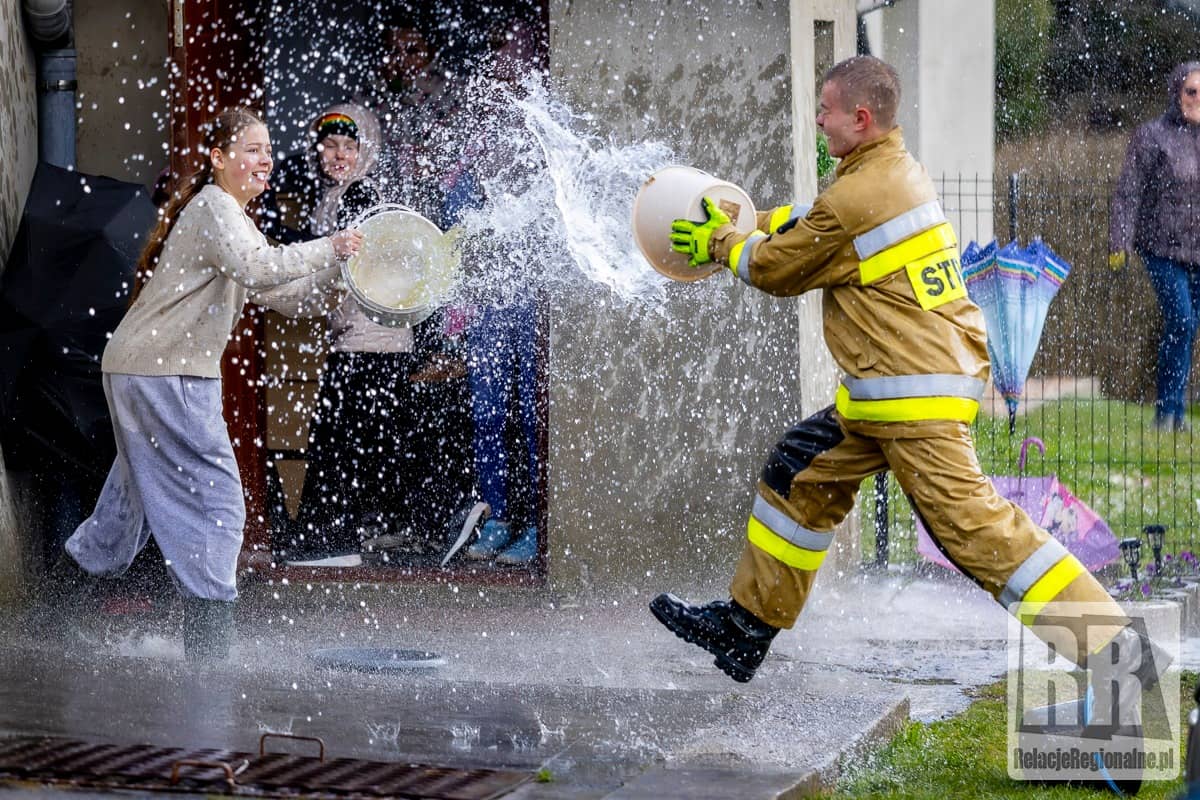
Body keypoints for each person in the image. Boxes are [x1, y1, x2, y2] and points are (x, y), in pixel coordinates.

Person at [654, 56, 1164, 792]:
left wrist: (726, 245)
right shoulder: (884, 176)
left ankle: (1117, 661)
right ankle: (744, 630)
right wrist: (750, 220)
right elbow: (807, 225)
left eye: (826, 110)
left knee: (983, 537)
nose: (818, 119)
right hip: (890, 392)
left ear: (860, 119)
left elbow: (778, 268)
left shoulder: (863, 193)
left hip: (912, 401)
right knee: (800, 470)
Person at [57, 107, 362, 660]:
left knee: (124, 510)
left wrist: (348, 280)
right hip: (165, 373)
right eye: (251, 149)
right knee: (219, 505)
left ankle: (57, 619)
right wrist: (333, 247)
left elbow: (279, 293)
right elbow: (263, 270)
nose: (265, 158)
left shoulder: (233, 219)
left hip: (142, 368)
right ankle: (209, 653)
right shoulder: (216, 207)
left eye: (268, 149)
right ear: (219, 159)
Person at [278, 102, 472, 567]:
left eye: (349, 145)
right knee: (366, 441)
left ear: (368, 151)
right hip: (362, 341)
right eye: (328, 144)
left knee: (342, 444)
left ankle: (332, 540)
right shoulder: (339, 193)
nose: (337, 155)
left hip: (372, 343)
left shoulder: (359, 195)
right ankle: (363, 531)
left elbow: (355, 269)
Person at [440, 17, 544, 567]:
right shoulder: (475, 133)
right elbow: (454, 219)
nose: (499, 61)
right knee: (487, 413)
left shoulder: (542, 124)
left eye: (508, 48)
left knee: (531, 415)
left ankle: (536, 526)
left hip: (529, 303)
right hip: (488, 302)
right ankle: (499, 516)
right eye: (493, 51)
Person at [1109, 61, 1200, 433]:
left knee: (1188, 328)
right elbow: (1128, 192)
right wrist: (1120, 241)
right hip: (1160, 247)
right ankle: (1167, 414)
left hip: (1198, 251)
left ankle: (1173, 416)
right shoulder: (1152, 136)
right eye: (1191, 91)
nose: (1197, 99)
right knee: (1180, 319)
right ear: (1176, 94)